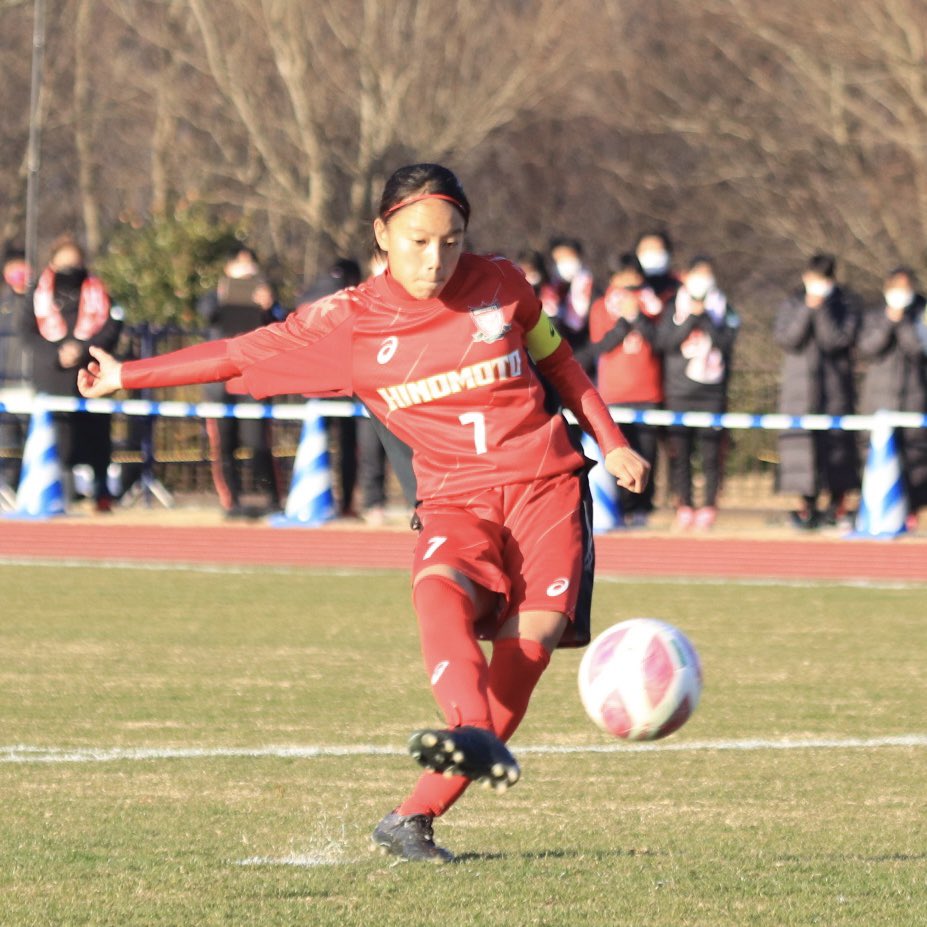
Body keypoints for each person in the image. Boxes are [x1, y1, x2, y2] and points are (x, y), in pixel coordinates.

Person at [78, 163, 649, 864]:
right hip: (454, 495)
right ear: (382, 234)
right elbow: (235, 356)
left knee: (526, 655)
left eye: (451, 240)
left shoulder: (503, 284)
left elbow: (558, 363)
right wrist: (125, 375)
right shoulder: (348, 321)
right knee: (441, 587)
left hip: (547, 487)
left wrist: (611, 442)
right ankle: (465, 725)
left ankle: (411, 818)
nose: (435, 258)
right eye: (416, 241)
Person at [24, 235, 123, 511]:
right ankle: (62, 494)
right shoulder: (38, 293)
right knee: (60, 438)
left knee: (97, 437)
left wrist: (84, 348)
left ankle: (101, 493)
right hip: (52, 376)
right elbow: (26, 332)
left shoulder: (98, 290)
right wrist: (56, 354)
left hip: (91, 371)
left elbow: (113, 324)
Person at [577, 252, 664, 525]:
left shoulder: (652, 304)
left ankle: (643, 508)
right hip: (614, 393)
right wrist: (624, 323)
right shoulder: (601, 307)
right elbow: (599, 347)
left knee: (647, 453)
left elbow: (660, 342)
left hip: (647, 392)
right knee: (620, 452)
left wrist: (638, 317)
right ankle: (622, 507)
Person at [198, 245, 285, 517]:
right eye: (240, 264)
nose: (246, 270)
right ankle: (231, 502)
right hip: (220, 379)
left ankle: (271, 499)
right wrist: (224, 298)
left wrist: (269, 307)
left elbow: (286, 322)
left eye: (250, 265)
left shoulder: (268, 298)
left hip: (253, 379)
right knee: (223, 445)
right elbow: (206, 312)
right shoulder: (215, 296)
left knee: (258, 442)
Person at [774, 253, 860, 529]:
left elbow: (835, 340)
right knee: (801, 447)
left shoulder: (845, 303)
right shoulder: (793, 301)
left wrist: (820, 309)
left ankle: (837, 505)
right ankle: (806, 506)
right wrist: (806, 309)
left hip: (835, 389)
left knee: (837, 449)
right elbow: (787, 338)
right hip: (799, 390)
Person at [658, 256, 740, 529]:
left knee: (710, 452)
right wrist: (690, 318)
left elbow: (727, 343)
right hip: (679, 390)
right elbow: (665, 342)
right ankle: (683, 504)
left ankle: (708, 506)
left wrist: (705, 319)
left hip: (711, 390)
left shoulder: (723, 306)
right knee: (680, 452)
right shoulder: (673, 304)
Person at [857, 267, 927, 529]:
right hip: (878, 398)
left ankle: (913, 508)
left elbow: (919, 349)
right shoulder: (874, 314)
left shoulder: (922, 314)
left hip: (914, 396)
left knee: (915, 456)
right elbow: (868, 348)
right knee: (872, 454)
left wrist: (904, 322)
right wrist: (889, 320)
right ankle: (872, 509)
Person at [0, 247, 32, 496]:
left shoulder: (39, 304)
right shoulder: (3, 305)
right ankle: (7, 487)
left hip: (32, 384)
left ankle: (29, 487)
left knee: (33, 438)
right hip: (6, 383)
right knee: (7, 440)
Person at [548, 237, 596, 352]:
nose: (564, 263)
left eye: (568, 257)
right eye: (559, 259)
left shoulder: (591, 288)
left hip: (584, 354)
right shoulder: (548, 291)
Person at [634, 230, 680, 308]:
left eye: (658, 249)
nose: (652, 254)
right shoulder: (622, 291)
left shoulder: (680, 288)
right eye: (648, 249)